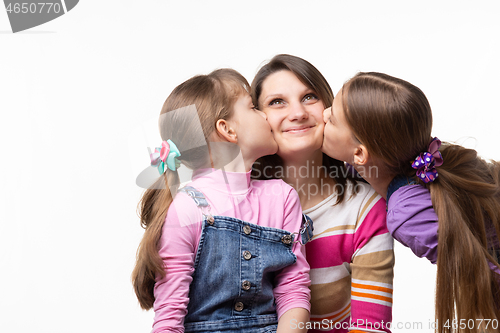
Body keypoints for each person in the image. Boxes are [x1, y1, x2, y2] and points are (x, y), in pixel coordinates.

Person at [132, 68, 312, 333]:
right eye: (252, 108)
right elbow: (169, 319)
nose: (264, 114)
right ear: (227, 130)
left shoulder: (283, 197)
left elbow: (293, 290)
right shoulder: (187, 207)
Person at [322, 71, 500, 332]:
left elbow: (479, 273)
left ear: (360, 153)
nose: (324, 113)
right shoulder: (388, 161)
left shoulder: (406, 217)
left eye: (333, 119)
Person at [251, 55, 394, 333]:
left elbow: (370, 328)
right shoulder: (233, 207)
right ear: (258, 117)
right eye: (277, 102)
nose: (298, 113)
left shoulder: (365, 209)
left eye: (309, 97)